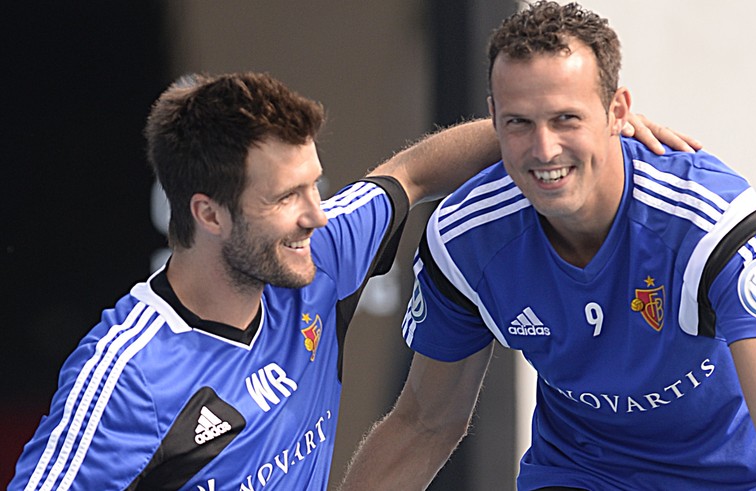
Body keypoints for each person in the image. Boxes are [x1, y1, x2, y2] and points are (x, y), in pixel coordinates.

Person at [8, 72, 688, 490]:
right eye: (284, 198)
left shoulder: (318, 257)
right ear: (208, 213)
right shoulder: (129, 374)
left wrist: (587, 135)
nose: (314, 215)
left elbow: (416, 169)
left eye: (316, 186)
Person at [340, 3, 756, 490]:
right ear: (492, 118)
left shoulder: (710, 223)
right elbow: (425, 423)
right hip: (580, 474)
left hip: (732, 481)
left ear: (617, 111)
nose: (545, 149)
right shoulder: (466, 238)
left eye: (566, 119)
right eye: (519, 123)